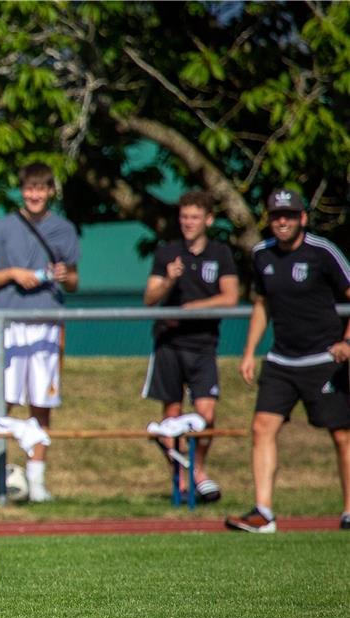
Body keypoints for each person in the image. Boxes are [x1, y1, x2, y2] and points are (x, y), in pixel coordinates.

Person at [226, 188, 350, 533]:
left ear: (302, 219)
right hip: (281, 359)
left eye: (289, 216)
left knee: (341, 434)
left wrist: (347, 340)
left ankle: (349, 510)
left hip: (324, 357)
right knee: (262, 428)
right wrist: (249, 352)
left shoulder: (323, 253)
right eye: (276, 216)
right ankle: (263, 512)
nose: (282, 222)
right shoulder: (261, 254)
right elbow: (262, 304)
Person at [0, 161, 80, 502]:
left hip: (47, 325)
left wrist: (64, 275)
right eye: (29, 188)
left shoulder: (64, 229)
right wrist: (14, 273)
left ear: (51, 191)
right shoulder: (1, 228)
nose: (35, 195)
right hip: (10, 326)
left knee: (42, 404)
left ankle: (36, 481)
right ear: (22, 191)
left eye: (41, 188)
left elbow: (75, 281)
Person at [142, 191, 239, 501]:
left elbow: (230, 297)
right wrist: (169, 280)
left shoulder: (220, 253)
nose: (188, 223)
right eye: (184, 217)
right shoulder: (167, 252)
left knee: (206, 414)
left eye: (195, 217)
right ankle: (180, 478)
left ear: (208, 220)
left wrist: (195, 307)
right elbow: (150, 298)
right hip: (169, 344)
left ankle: (197, 470)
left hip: (203, 345)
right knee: (171, 418)